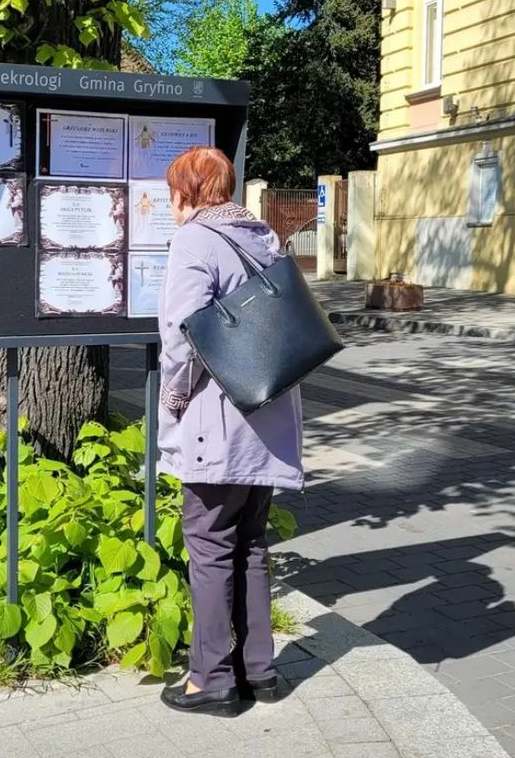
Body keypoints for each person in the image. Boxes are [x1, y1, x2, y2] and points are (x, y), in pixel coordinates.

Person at [157, 146, 304, 716]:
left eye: (173, 191)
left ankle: (211, 679)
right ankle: (259, 672)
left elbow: (183, 334)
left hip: (217, 421)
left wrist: (173, 397)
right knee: (251, 544)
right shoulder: (262, 237)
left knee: (210, 545)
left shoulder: (195, 239)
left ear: (186, 192)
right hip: (267, 420)